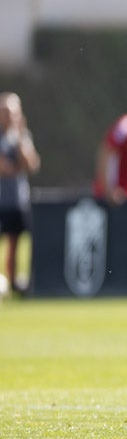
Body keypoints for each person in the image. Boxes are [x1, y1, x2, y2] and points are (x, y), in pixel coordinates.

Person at [0, 92, 39, 296]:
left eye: (13, 113)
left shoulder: (21, 136)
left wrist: (20, 139)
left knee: (15, 243)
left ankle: (14, 283)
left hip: (17, 200)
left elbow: (31, 164)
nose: (9, 117)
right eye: (5, 112)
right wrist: (16, 167)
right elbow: (3, 168)